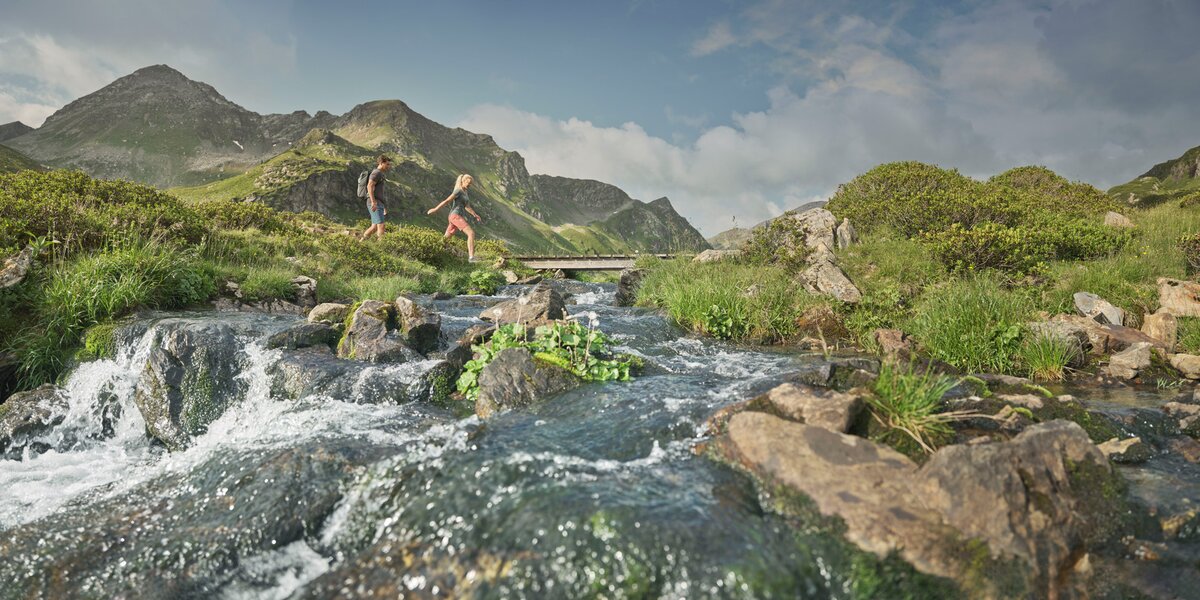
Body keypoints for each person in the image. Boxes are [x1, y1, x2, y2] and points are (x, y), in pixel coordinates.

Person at [427, 174, 483, 262]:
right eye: (467, 182)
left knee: (445, 239)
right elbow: (447, 201)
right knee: (471, 233)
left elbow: (467, 206)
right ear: (462, 181)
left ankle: (432, 251)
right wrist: (435, 209)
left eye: (470, 183)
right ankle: (471, 258)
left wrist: (475, 214)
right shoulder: (458, 191)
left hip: (456, 216)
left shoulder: (465, 192)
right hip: (455, 216)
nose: (469, 185)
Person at [360, 155, 392, 241]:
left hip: (378, 203)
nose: (389, 166)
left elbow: (379, 192)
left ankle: (360, 243)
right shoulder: (376, 173)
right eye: (387, 164)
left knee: (374, 227)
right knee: (381, 225)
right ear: (381, 163)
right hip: (374, 202)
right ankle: (381, 248)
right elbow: (369, 186)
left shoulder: (380, 174)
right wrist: (374, 202)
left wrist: (383, 206)